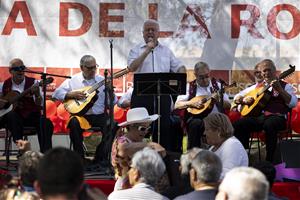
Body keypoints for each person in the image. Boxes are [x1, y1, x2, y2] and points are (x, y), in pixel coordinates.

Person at [127, 19, 186, 151]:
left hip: (163, 95)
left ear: (158, 33)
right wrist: (147, 50)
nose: (150, 32)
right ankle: (138, 158)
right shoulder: (136, 50)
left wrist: (180, 74)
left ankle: (162, 158)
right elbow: (132, 67)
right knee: (139, 127)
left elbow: (179, 67)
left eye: (153, 30)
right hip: (142, 95)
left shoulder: (166, 51)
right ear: (142, 33)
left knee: (163, 128)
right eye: (147, 30)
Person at [52, 55, 117, 161]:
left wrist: (110, 91)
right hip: (81, 116)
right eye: (89, 68)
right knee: (73, 123)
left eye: (94, 67)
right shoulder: (73, 80)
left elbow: (113, 103)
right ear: (82, 67)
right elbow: (56, 93)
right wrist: (71, 95)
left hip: (99, 115)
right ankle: (79, 159)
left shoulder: (102, 81)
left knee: (113, 125)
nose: (93, 70)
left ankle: (100, 158)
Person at [233, 59, 297, 162]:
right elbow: (238, 96)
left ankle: (269, 160)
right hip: (260, 118)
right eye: (264, 71)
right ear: (261, 73)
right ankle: (243, 155)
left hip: (278, 118)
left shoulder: (286, 86)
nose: (266, 73)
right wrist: (243, 100)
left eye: (269, 70)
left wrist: (280, 90)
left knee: (269, 124)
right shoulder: (257, 87)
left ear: (275, 71)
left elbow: (293, 103)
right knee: (239, 124)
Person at [0, 58, 53, 153]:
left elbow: (40, 104)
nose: (21, 71)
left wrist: (37, 94)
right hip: (12, 120)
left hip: (30, 117)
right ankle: (22, 150)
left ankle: (46, 154)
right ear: (10, 71)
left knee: (46, 122)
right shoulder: (4, 85)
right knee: (12, 116)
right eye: (17, 69)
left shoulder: (34, 83)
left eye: (22, 68)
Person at [175, 61, 231, 149]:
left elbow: (228, 106)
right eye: (201, 77)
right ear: (195, 75)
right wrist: (191, 103)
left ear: (209, 73)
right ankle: (193, 153)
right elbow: (177, 105)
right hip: (198, 119)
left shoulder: (217, 86)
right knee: (195, 124)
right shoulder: (189, 87)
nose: (205, 80)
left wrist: (218, 100)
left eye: (206, 76)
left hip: (217, 119)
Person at [111, 107, 165, 190]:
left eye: (148, 128)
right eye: (142, 128)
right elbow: (123, 148)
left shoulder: (141, 142)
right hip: (124, 188)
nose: (145, 132)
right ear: (131, 127)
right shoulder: (121, 141)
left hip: (140, 186)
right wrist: (151, 145)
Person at [204, 112, 248, 179]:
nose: (204, 133)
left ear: (218, 131)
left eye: (207, 129)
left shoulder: (232, 145)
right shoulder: (213, 148)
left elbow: (226, 176)